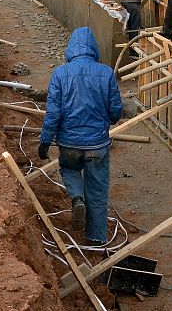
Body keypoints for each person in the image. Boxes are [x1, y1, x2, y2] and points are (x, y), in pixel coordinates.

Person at [38, 27, 123, 244]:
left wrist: (45, 142)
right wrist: (108, 122)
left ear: (70, 49)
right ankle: (96, 237)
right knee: (97, 189)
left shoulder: (60, 74)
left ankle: (77, 197)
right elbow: (116, 110)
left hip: (69, 143)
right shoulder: (106, 73)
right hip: (98, 144)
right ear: (94, 48)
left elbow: (54, 112)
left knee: (69, 168)